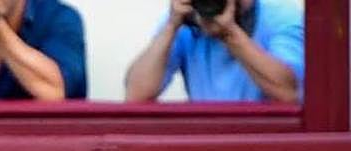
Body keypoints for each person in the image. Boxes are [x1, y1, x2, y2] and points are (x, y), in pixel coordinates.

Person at [125, 0, 303, 103]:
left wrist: (230, 34)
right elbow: (136, 94)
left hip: (268, 145)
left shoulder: (282, 16)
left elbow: (289, 92)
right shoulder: (187, 18)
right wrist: (171, 27)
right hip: (207, 142)